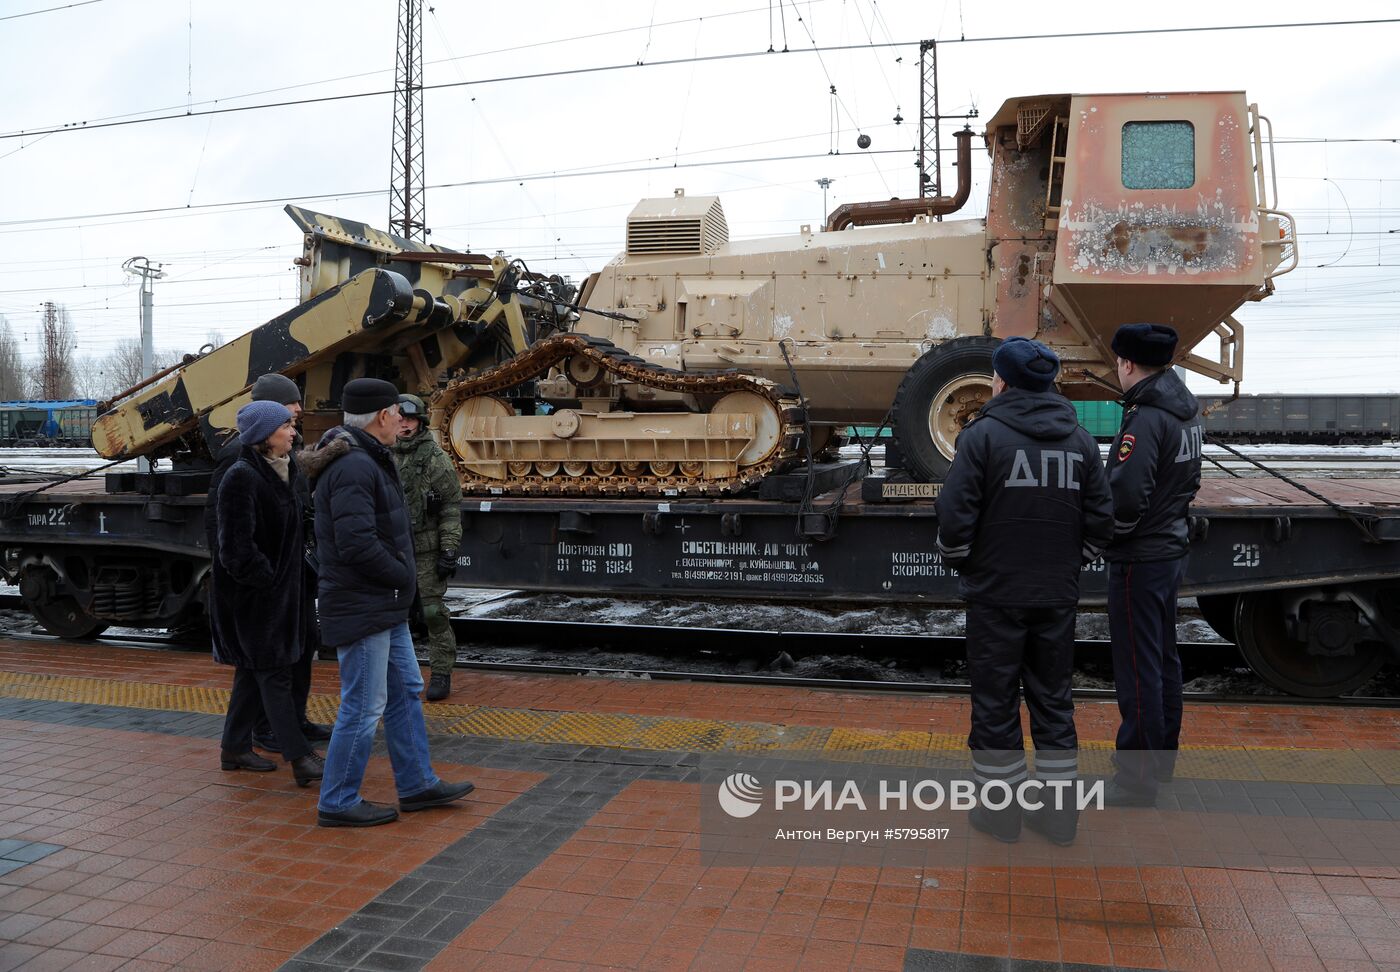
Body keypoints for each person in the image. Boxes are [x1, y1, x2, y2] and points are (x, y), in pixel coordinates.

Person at [934, 337, 1113, 845]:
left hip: (996, 596)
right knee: (1054, 702)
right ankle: (1058, 818)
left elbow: (954, 516)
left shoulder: (982, 436)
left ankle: (1000, 816)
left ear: (1002, 381)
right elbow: (1102, 522)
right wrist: (1071, 562)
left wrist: (963, 560)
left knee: (995, 704)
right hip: (1056, 596)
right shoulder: (1080, 441)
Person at [301, 377, 473, 827]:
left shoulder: (368, 457)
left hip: (382, 602)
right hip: (366, 603)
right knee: (363, 705)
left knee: (405, 689)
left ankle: (417, 784)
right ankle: (337, 801)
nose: (403, 418)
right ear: (381, 416)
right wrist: (404, 576)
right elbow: (356, 543)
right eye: (398, 411)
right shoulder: (355, 466)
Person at [203, 372, 331, 752]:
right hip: (264, 587)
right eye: (290, 407)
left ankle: (287, 722)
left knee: (302, 643)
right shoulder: (237, 461)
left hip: (292, 576)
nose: (297, 412)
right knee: (268, 663)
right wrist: (260, 577)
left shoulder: (285, 452)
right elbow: (224, 528)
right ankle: (277, 735)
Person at [1103, 323, 1203, 807]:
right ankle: (1160, 759)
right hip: (1169, 551)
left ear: (1126, 364)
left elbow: (1125, 495)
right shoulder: (1184, 410)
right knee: (1163, 658)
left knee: (1139, 666)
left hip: (1139, 559)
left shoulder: (1145, 417)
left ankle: (1137, 778)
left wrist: (1108, 538)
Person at [393, 394, 463, 701]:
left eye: (409, 420)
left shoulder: (436, 460)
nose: (404, 426)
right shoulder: (384, 455)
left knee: (433, 612)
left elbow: (450, 507)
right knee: (392, 617)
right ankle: (395, 675)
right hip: (393, 550)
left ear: (420, 422)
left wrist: (448, 550)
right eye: (399, 419)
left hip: (425, 549)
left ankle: (441, 672)